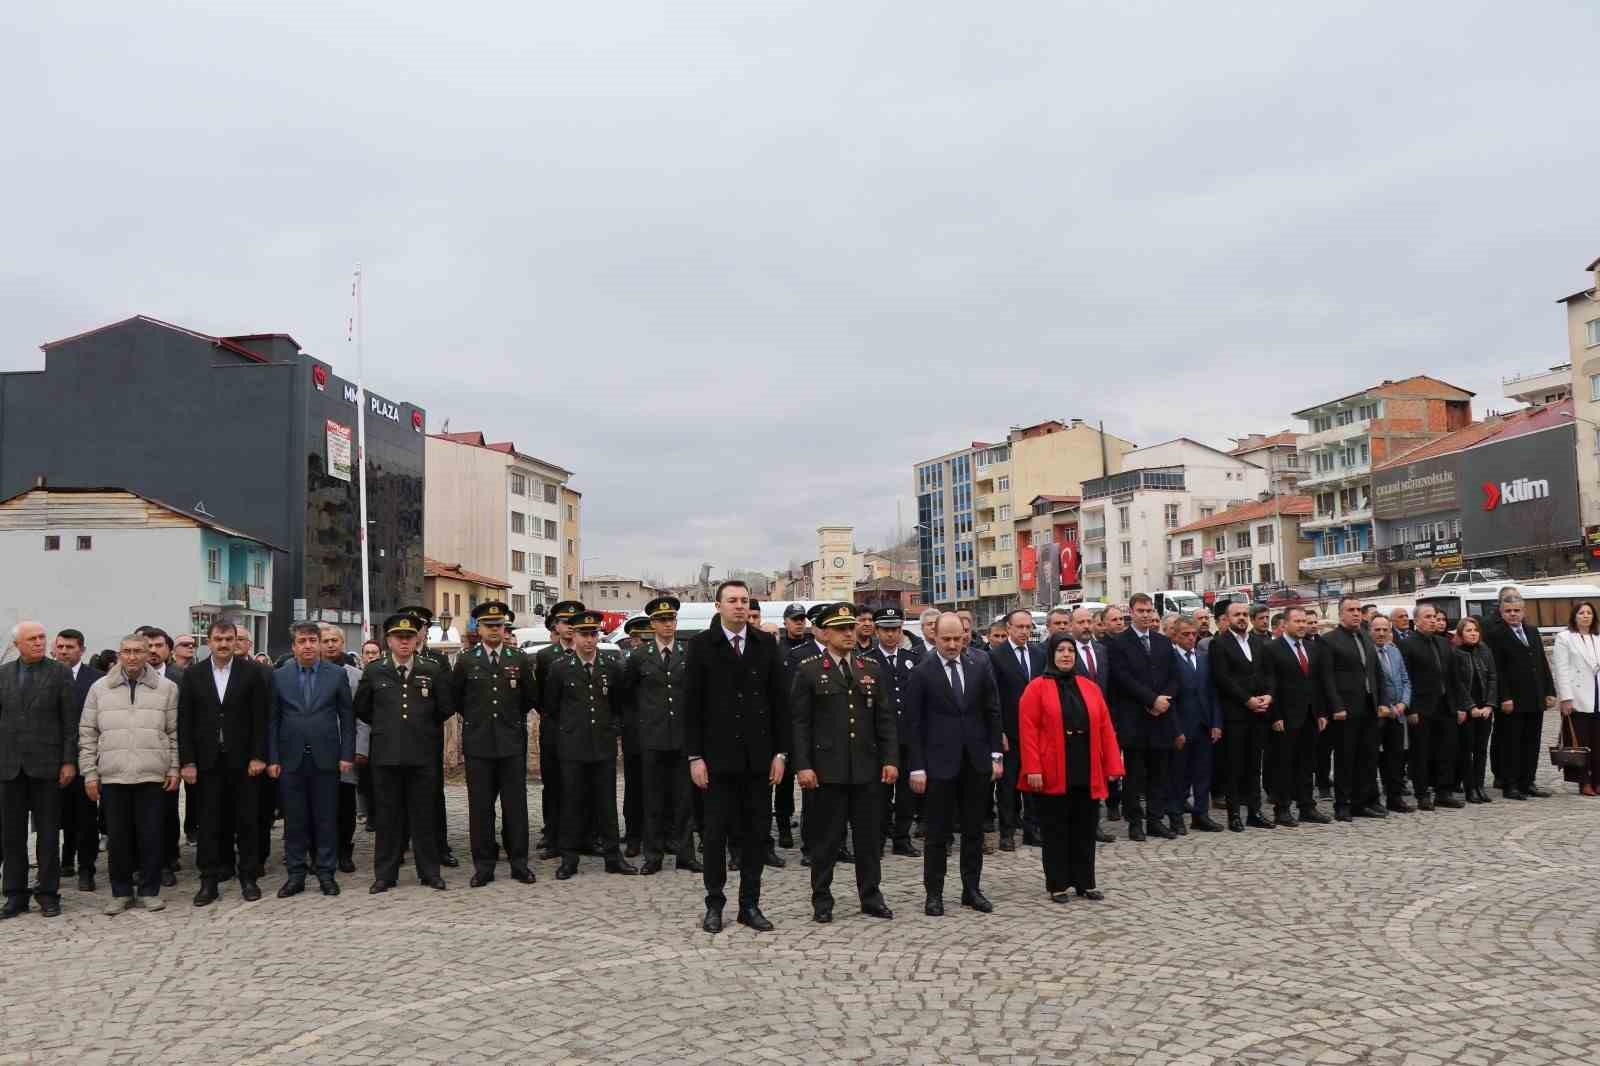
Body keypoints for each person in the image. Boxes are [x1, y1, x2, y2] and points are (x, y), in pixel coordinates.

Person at [683, 580, 788, 933]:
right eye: (732, 601)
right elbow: (691, 707)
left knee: (756, 834)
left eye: (745, 601)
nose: (740, 606)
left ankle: (750, 904)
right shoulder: (701, 646)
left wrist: (780, 753)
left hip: (758, 760)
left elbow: (779, 704)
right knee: (714, 836)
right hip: (716, 761)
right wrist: (695, 756)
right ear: (718, 606)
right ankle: (715, 903)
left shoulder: (765, 645)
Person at [791, 603, 897, 923]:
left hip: (866, 769)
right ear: (825, 634)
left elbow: (885, 720)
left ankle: (871, 896)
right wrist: (804, 765)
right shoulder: (809, 669)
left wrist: (891, 759)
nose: (849, 634)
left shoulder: (870, 669)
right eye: (841, 629)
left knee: (868, 839)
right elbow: (799, 724)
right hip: (828, 771)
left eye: (851, 627)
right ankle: (822, 900)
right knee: (827, 841)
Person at [906, 612, 1003, 916]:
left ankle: (971, 889)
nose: (952, 645)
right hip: (938, 765)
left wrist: (995, 755)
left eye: (957, 638)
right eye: (945, 639)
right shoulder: (922, 672)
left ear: (965, 636)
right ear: (934, 637)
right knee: (937, 833)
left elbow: (992, 711)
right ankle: (933, 894)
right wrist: (917, 766)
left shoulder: (979, 665)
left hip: (975, 762)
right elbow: (913, 724)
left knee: (974, 830)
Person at [1019, 634, 1123, 902]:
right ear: (1051, 654)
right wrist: (1033, 768)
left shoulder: (1090, 687)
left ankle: (1085, 881)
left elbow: (1106, 729)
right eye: (1061, 650)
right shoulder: (1036, 688)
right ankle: (1058, 883)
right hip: (1051, 768)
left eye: (1070, 651)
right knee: (1055, 828)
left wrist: (1113, 764)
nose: (1066, 655)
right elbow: (1027, 732)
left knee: (1085, 827)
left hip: (1085, 766)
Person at [81, 633, 179, 914]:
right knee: (118, 837)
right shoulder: (99, 688)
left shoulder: (167, 688)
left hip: (152, 773)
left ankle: (150, 890)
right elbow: (87, 733)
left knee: (151, 835)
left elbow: (173, 732)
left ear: (149, 654)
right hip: (113, 774)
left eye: (138, 651)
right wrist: (89, 772)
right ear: (120, 654)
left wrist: (173, 767)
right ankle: (120, 891)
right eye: (127, 651)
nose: (132, 656)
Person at [177, 618, 271, 906]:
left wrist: (258, 756)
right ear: (209, 642)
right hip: (207, 762)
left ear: (236, 641)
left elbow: (260, 718)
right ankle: (209, 880)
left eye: (229, 639)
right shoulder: (193, 675)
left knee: (246, 820)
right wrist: (188, 761)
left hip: (243, 761)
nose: (224, 644)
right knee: (208, 822)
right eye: (218, 639)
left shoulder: (253, 672)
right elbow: (185, 722)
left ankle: (248, 877)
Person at [357, 614, 452, 893]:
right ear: (389, 640)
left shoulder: (431, 669)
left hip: (422, 755)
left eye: (409, 637)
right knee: (387, 817)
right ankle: (385, 875)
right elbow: (362, 708)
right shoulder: (375, 671)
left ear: (416, 640)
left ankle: (429, 872)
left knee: (424, 816)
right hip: (386, 755)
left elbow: (444, 708)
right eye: (399, 638)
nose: (404, 643)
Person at [451, 601, 536, 887]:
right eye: (489, 626)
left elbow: (528, 698)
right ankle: (484, 865)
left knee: (516, 806)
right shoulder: (466, 660)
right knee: (481, 808)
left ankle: (519, 862)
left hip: (511, 743)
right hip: (479, 745)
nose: (495, 631)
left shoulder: (519, 659)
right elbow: (458, 699)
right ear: (479, 628)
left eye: (499, 625)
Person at [268, 622, 356, 898]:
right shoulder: (279, 676)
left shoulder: (336, 674)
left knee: (326, 818)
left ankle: (326, 872)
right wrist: (272, 757)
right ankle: (296, 873)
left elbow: (347, 718)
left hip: (326, 757)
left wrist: (346, 754)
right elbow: (272, 719)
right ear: (293, 646)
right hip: (290, 758)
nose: (308, 646)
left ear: (319, 644)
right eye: (302, 641)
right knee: (295, 820)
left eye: (312, 641)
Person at [547, 611, 636, 880]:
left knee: (606, 803)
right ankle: (569, 859)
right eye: (584, 635)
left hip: (602, 744)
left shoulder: (610, 665)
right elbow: (551, 707)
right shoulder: (560, 667)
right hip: (573, 747)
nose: (589, 640)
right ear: (573, 636)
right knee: (572, 803)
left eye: (593, 634)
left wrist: (613, 729)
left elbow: (619, 704)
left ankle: (612, 857)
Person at [0, 622, 78, 918]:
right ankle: (15, 895)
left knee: (47, 834)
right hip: (10, 767)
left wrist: (69, 761)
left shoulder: (59, 672)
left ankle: (48, 894)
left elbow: (70, 722)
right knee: (12, 835)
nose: (39, 642)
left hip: (47, 765)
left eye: (42, 637)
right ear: (17, 644)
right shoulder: (4, 674)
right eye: (32, 638)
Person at [618, 596, 700, 875]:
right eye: (663, 620)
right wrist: (640, 726)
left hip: (682, 738)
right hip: (651, 738)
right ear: (652, 624)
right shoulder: (640, 656)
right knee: (652, 798)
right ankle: (653, 855)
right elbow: (626, 696)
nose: (668, 625)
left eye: (672, 620)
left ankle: (685, 853)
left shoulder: (688, 653)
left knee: (683, 799)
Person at [1484, 588, 1557, 800]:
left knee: (1531, 741)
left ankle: (1528, 781)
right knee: (1511, 743)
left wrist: (1549, 691)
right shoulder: (1497, 635)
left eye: (1517, 610)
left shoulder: (1532, 632)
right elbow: (1497, 669)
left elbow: (1542, 664)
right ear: (1502, 612)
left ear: (1523, 611)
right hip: (1512, 700)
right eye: (1509, 611)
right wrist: (1504, 697)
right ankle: (1511, 784)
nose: (1513, 614)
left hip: (1535, 697)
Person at [1318, 597, 1385, 821]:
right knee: (1345, 759)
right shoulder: (1329, 641)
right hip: (1345, 709)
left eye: (1358, 609)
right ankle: (1342, 805)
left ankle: (1361, 802)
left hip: (1369, 706)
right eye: (1351, 610)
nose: (1356, 614)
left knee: (1367, 758)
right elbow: (1326, 678)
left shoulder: (1366, 637)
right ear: (1341, 614)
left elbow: (1376, 673)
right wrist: (1336, 706)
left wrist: (1382, 701)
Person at [1261, 607, 1330, 827]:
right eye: (1297, 621)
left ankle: (1306, 806)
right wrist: (1275, 716)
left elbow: (1317, 683)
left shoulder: (1312, 648)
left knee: (1306, 763)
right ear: (1286, 623)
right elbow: (1270, 684)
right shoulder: (1272, 649)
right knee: (1284, 764)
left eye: (1304, 621)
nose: (1302, 625)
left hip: (1310, 715)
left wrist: (1320, 712)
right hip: (1285, 716)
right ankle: (1282, 808)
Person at [1211, 600, 1274, 831]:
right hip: (1235, 713)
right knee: (1234, 765)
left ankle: (1255, 812)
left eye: (1245, 614)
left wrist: (1268, 695)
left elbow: (1268, 673)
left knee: (1254, 765)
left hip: (1259, 713)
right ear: (1227, 619)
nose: (1242, 618)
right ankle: (1234, 814)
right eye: (1237, 614)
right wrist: (1246, 700)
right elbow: (1223, 678)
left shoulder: (1258, 642)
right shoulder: (1220, 643)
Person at [865, 606, 921, 857]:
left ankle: (901, 838)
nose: (891, 635)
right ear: (877, 631)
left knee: (907, 794)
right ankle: (876, 840)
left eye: (895, 630)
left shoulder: (913, 659)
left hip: (908, 736)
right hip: (881, 739)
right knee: (880, 794)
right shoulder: (867, 660)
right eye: (886, 630)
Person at [988, 609, 1044, 851]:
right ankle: (1007, 832)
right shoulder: (996, 656)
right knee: (1008, 785)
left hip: (1035, 731)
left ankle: (1033, 829)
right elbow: (993, 697)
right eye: (1019, 627)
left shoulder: (1039, 654)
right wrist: (998, 731)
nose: (1024, 632)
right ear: (1008, 628)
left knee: (1034, 781)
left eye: (1028, 627)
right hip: (1009, 731)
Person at [52, 628, 104, 891]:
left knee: (85, 818)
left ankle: (87, 868)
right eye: (60, 647)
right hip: (51, 761)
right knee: (53, 817)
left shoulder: (97, 680)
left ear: (81, 650)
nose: (63, 652)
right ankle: (60, 862)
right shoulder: (47, 675)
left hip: (86, 759)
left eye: (69, 647)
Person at [533, 600, 584, 858]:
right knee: (553, 784)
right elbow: (540, 696)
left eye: (574, 623)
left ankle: (585, 834)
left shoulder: (588, 652)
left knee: (581, 784)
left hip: (582, 732)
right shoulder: (546, 656)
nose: (569, 627)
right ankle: (552, 835)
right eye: (565, 622)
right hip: (554, 730)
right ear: (556, 625)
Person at [319, 625, 368, 874]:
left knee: (345, 805)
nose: (330, 645)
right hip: (315, 750)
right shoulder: (310, 672)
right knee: (318, 805)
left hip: (344, 750)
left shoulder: (356, 676)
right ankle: (320, 851)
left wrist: (359, 748)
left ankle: (344, 851)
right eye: (325, 640)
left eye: (335, 640)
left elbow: (362, 717)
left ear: (342, 642)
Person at [1397, 605, 1457, 811]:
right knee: (1421, 752)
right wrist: (1410, 709)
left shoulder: (1443, 643)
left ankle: (1443, 791)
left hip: (1445, 704)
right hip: (1421, 707)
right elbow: (1406, 678)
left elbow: (1452, 676)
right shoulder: (1407, 645)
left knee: (1445, 750)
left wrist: (1457, 704)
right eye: (1428, 617)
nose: (1433, 620)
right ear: (1416, 621)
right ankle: (1422, 793)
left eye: (1434, 617)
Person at [138, 625, 184, 885]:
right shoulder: (123, 678)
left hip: (167, 757)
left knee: (166, 812)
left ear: (168, 650)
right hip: (136, 756)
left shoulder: (181, 679)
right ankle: (138, 862)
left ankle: (167, 859)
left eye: (158, 646)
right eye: (149, 646)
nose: (153, 651)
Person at [1168, 618, 1223, 833]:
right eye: (1185, 634)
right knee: (1178, 775)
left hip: (1204, 724)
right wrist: (1174, 729)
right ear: (1176, 636)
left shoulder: (1204, 658)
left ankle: (1201, 815)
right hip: (1181, 725)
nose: (1191, 638)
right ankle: (1176, 815)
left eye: (1193, 634)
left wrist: (1216, 722)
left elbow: (1213, 693)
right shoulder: (1171, 659)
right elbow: (1170, 698)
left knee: (1203, 773)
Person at [1552, 602, 1600, 795]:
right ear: (1574, 616)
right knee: (1579, 742)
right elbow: (1561, 669)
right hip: (1577, 697)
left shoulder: (1598, 636)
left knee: (1598, 742)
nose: (1586, 616)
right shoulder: (1565, 638)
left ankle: (1598, 780)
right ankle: (1584, 782)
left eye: (1589, 613)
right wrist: (1566, 698)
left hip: (1597, 695)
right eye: (1582, 613)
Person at [1450, 617, 1498, 804]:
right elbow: (1458, 683)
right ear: (1461, 634)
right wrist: (1471, 707)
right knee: (1466, 750)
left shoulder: (1485, 650)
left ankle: (1479, 786)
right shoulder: (1455, 653)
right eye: (1468, 630)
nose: (1473, 633)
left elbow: (1493, 677)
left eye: (1475, 630)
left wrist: (1489, 705)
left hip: (1485, 707)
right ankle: (1470, 788)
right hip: (1468, 709)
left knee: (1481, 749)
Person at [1371, 614, 1413, 810]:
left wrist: (1403, 703)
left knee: (1396, 757)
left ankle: (1395, 798)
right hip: (1379, 713)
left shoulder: (1394, 651)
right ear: (1370, 631)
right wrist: (1387, 705)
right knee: (1374, 758)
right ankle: (1373, 799)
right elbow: (1375, 684)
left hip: (1398, 712)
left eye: (1384, 630)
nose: (1381, 633)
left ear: (1390, 631)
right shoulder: (1368, 653)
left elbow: (1405, 679)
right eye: (1377, 630)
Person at [617, 614, 651, 857]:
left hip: (659, 733)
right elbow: (621, 700)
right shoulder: (624, 665)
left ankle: (660, 834)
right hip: (635, 735)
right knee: (634, 789)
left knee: (659, 788)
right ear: (631, 640)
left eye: (646, 638)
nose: (641, 643)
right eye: (638, 639)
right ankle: (634, 836)